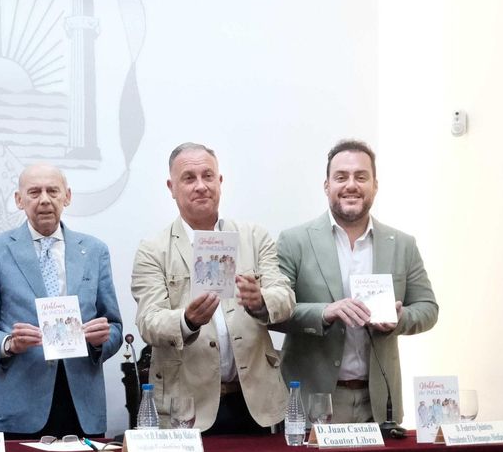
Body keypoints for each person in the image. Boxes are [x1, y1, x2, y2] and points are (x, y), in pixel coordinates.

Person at [132, 143, 293, 433]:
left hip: (256, 403)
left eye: (208, 176)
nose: (201, 186)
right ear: (171, 187)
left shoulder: (254, 237)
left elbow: (285, 298)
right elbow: (148, 322)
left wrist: (260, 302)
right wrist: (187, 320)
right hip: (187, 410)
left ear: (220, 182)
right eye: (189, 178)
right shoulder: (153, 250)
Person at [274, 140, 438, 424]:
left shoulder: (402, 244)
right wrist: (324, 313)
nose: (351, 185)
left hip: (378, 403)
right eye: (341, 177)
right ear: (327, 185)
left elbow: (428, 308)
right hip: (312, 401)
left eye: (361, 177)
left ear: (375, 185)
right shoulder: (294, 241)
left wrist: (400, 319)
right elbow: (272, 313)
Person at [0, 163, 123, 437]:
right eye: (34, 192)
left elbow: (115, 327)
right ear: (19, 200)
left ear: (67, 196)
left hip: (81, 407)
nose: (45, 199)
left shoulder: (95, 251)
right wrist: (9, 344)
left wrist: (101, 342)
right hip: (18, 409)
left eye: (53, 191)